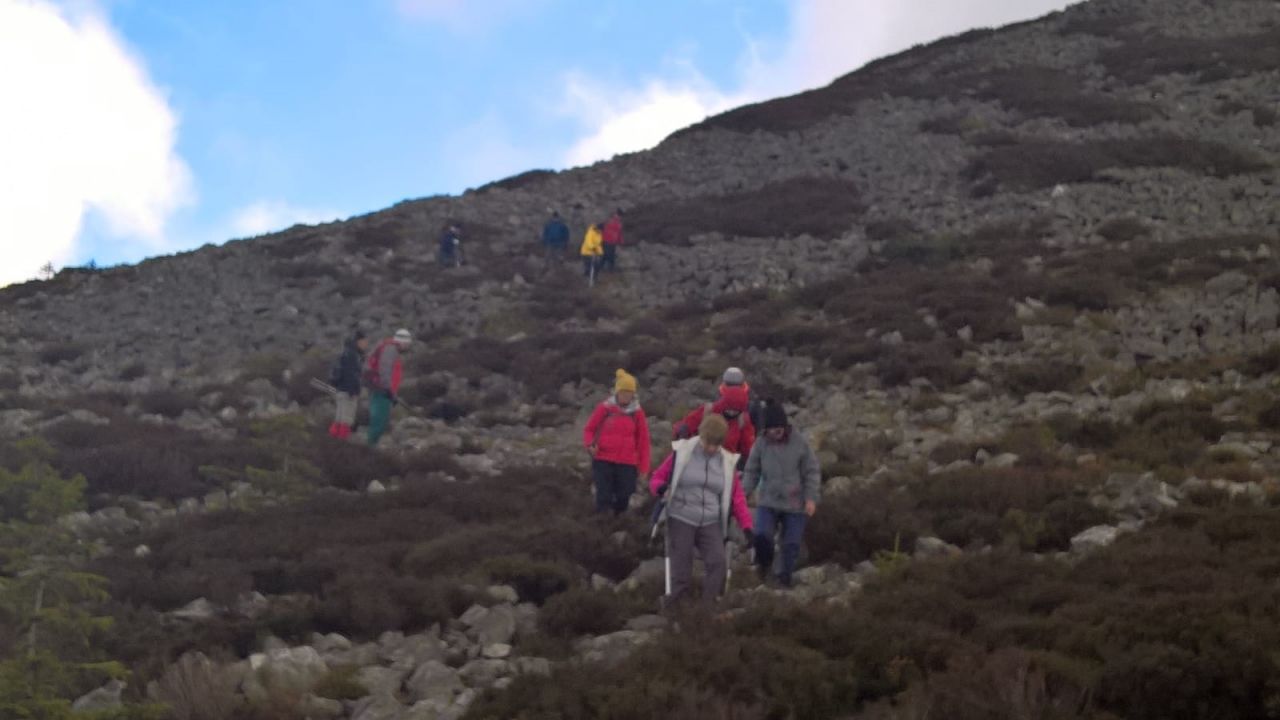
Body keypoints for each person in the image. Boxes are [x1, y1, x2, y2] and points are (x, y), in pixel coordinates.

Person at [649, 414, 753, 609]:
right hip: (681, 516)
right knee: (681, 568)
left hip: (711, 521)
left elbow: (737, 498)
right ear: (701, 435)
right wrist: (662, 489)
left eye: (716, 444)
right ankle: (676, 608)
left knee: (718, 563)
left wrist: (747, 527)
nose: (711, 448)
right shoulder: (682, 454)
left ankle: (707, 609)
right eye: (708, 442)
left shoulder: (727, 462)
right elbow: (656, 479)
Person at [742, 400, 821, 588]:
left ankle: (783, 580)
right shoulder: (760, 444)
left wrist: (811, 498)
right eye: (771, 429)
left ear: (785, 426)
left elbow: (811, 471)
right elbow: (752, 471)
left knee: (791, 544)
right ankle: (764, 565)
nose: (775, 432)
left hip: (795, 503)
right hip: (768, 501)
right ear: (765, 430)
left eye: (778, 428)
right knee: (761, 536)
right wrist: (743, 493)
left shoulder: (800, 443)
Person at [582, 369, 651, 515]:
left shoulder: (637, 413)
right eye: (623, 392)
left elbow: (643, 442)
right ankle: (602, 525)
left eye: (629, 392)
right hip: (603, 459)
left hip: (627, 463)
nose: (626, 396)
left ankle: (618, 524)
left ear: (634, 394)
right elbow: (589, 430)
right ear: (617, 392)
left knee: (624, 497)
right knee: (604, 497)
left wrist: (644, 468)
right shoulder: (605, 408)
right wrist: (590, 445)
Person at [672, 370, 756, 465]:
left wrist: (744, 463)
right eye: (729, 409)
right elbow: (687, 424)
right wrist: (682, 430)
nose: (732, 413)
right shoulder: (708, 411)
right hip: (698, 461)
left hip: (726, 465)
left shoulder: (743, 420)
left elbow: (748, 448)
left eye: (736, 411)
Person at [364, 328, 412, 447]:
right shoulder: (391, 350)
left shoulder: (390, 348)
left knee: (379, 420)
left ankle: (370, 447)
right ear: (403, 342)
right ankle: (369, 449)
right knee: (379, 421)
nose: (408, 347)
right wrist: (389, 391)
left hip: (381, 389)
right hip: (382, 391)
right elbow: (384, 370)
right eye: (407, 344)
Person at [328, 330, 368, 439]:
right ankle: (341, 444)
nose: (366, 344)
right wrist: (354, 391)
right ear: (358, 341)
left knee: (339, 418)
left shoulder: (345, 352)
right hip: (348, 392)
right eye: (364, 341)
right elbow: (352, 375)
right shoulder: (353, 355)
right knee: (346, 420)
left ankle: (331, 442)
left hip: (341, 390)